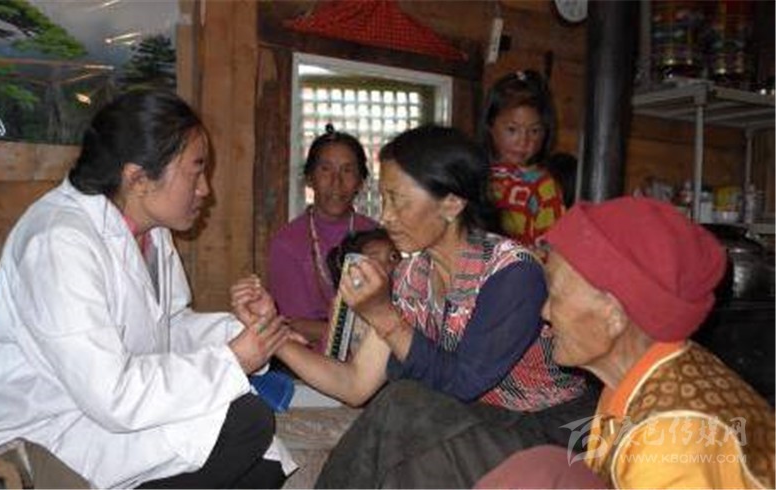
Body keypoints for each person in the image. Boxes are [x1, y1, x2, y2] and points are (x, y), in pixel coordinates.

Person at [0, 91, 296, 489]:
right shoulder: (58, 242)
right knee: (247, 422)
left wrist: (247, 334)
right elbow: (112, 394)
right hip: (48, 433)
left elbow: (169, 326)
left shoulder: (150, 231)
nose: (205, 189)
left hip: (104, 414)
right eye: (195, 172)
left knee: (265, 465)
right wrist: (232, 360)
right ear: (138, 178)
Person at [234, 125, 594, 488]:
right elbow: (355, 384)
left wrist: (383, 315)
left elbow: (462, 383)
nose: (386, 216)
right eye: (383, 199)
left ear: (452, 203)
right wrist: (271, 333)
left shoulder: (512, 273)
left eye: (398, 200)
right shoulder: (413, 276)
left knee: (406, 404)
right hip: (468, 426)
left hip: (548, 433)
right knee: (406, 424)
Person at [477, 197, 775, 489]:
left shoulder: (670, 440)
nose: (545, 313)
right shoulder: (634, 379)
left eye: (555, 296)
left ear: (613, 314)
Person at [268, 125, 378, 344]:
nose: (336, 182)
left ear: (360, 181)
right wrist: (359, 334)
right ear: (310, 178)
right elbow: (292, 325)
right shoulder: (286, 242)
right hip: (305, 359)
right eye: (326, 169)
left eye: (347, 170)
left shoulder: (377, 236)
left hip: (370, 359)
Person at [481, 69, 566, 247]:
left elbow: (553, 248)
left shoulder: (543, 187)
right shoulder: (474, 172)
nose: (524, 141)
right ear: (490, 125)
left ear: (545, 132)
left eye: (534, 131)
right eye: (512, 130)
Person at [322, 228, 401, 358]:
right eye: (374, 259)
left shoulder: (405, 305)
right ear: (354, 269)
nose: (387, 265)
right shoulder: (344, 307)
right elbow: (334, 356)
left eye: (393, 257)